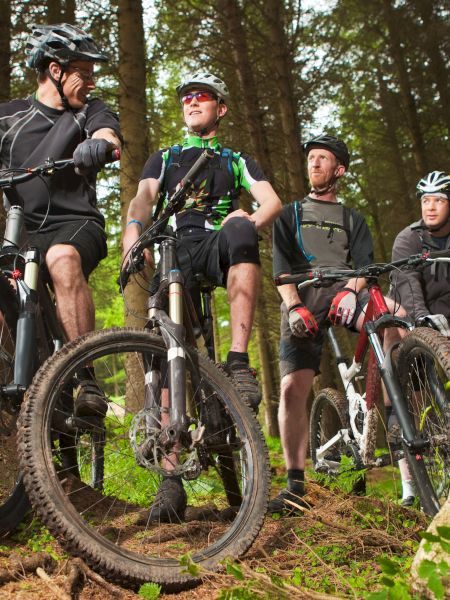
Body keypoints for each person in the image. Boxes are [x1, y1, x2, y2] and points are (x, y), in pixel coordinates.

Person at [123, 72, 282, 520]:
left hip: (216, 244)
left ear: (221, 107)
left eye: (202, 97)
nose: (192, 102)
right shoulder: (166, 156)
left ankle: (237, 362)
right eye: (186, 98)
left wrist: (247, 219)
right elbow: (143, 198)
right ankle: (171, 482)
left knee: (240, 226)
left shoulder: (235, 159)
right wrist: (133, 236)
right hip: (174, 248)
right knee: (164, 353)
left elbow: (271, 200)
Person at [270, 133, 405, 514]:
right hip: (305, 294)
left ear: (339, 169)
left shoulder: (352, 218)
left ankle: (400, 413)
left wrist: (350, 289)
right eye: (311, 157)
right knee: (292, 389)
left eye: (322, 158)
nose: (313, 163)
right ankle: (295, 482)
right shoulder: (289, 215)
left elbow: (366, 265)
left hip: (349, 289)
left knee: (396, 317)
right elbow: (281, 272)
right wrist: (294, 307)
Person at [0, 23, 122, 416]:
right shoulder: (9, 118)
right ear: (56, 70)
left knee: (62, 259)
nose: (91, 81)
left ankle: (86, 376)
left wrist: (99, 144)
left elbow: (109, 134)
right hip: (24, 231)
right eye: (83, 73)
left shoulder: (91, 110)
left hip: (77, 223)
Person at [388, 170, 450, 506]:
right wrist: (419, 319)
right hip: (412, 313)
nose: (430, 207)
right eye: (425, 200)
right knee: (407, 381)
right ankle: (409, 481)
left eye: (439, 200)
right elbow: (407, 281)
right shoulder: (408, 238)